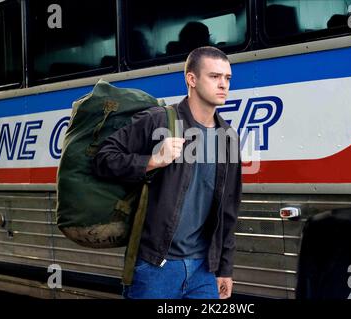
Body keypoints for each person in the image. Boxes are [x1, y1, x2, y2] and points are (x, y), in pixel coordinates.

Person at [93, 46, 242, 299]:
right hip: (156, 268)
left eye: (227, 78)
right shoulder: (159, 121)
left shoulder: (227, 137)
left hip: (203, 270)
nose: (223, 85)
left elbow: (228, 209)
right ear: (191, 79)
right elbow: (103, 159)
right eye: (214, 77)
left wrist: (224, 267)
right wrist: (151, 160)